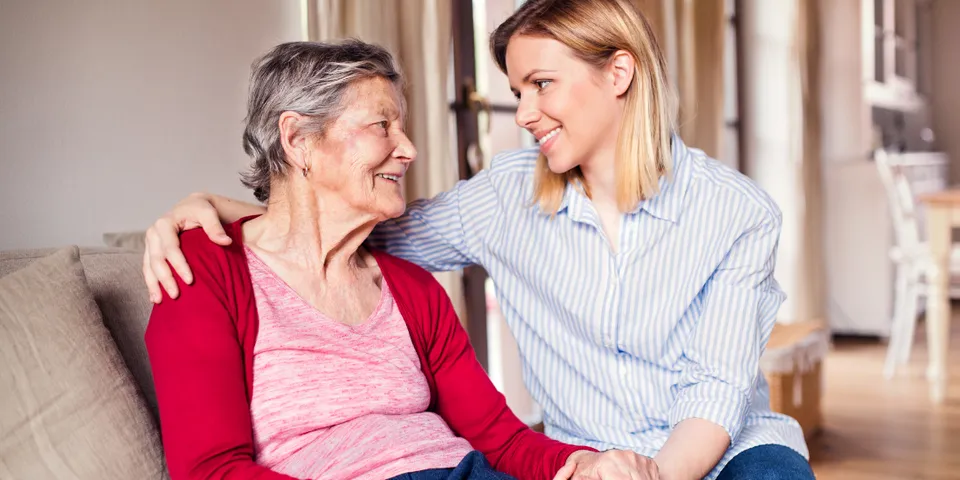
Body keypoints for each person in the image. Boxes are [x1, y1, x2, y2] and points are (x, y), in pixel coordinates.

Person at [143, 1, 816, 479]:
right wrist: (235, 213)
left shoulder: (738, 213)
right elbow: (347, 228)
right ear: (297, 139)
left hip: (716, 450)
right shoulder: (503, 198)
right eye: (518, 89)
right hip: (588, 453)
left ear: (619, 73)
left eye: (541, 85)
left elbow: (712, 393)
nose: (523, 114)